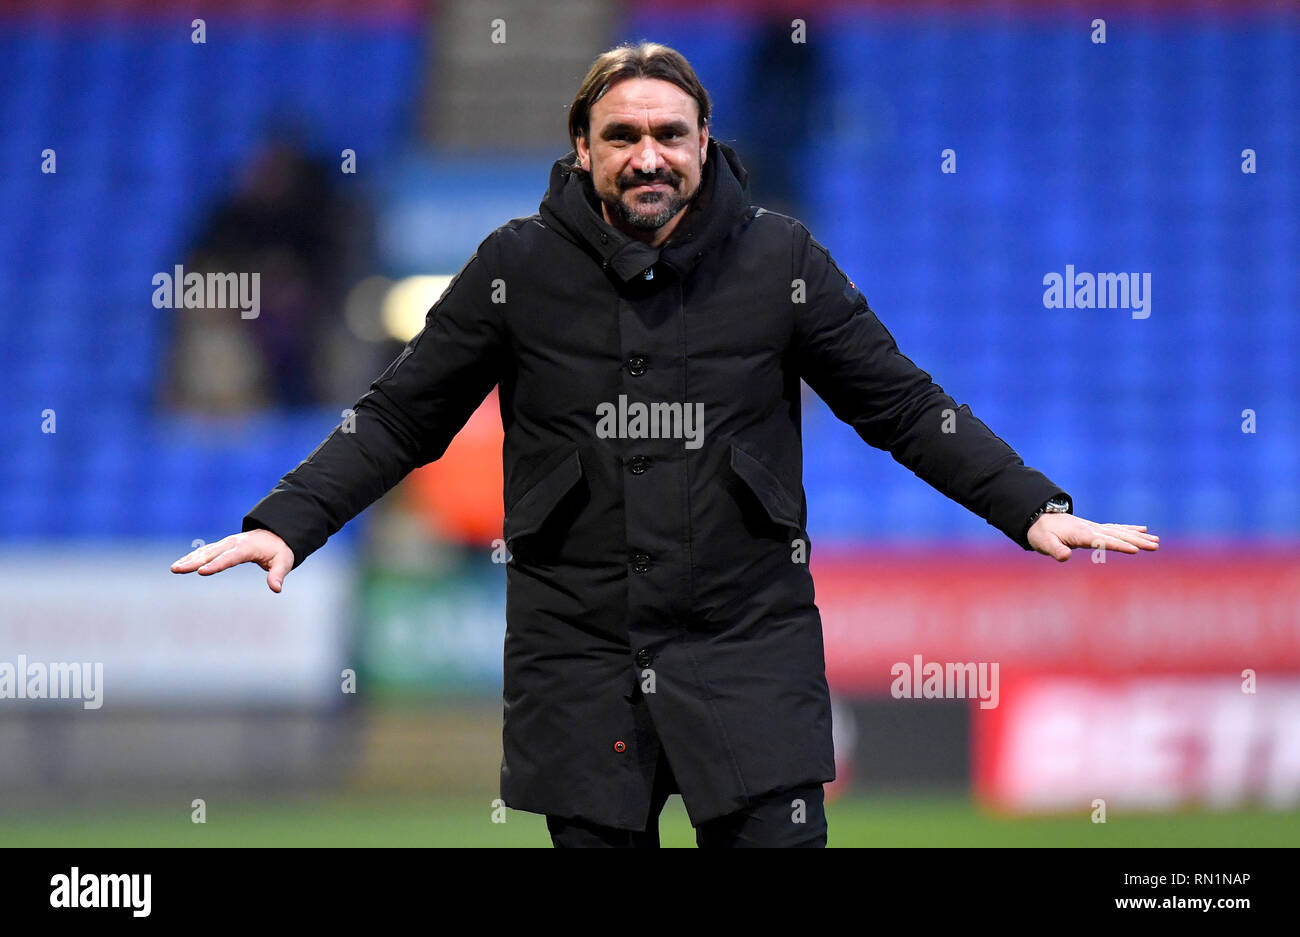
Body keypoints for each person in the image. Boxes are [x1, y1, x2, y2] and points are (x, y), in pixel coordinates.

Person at [171, 42, 1159, 847]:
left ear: (703, 142)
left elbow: (900, 404)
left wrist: (1029, 506)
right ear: (582, 147)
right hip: (579, 657)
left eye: (669, 135)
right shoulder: (514, 265)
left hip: (746, 647)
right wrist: (288, 525)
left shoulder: (781, 258)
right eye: (623, 135)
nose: (648, 155)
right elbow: (399, 414)